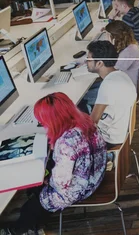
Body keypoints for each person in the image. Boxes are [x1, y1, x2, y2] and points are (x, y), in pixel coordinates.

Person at [0, 93, 106, 234]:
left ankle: (22, 230)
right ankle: (36, 220)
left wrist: (46, 181)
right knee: (38, 187)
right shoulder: (86, 121)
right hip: (96, 175)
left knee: (30, 208)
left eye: (43, 121)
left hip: (80, 189)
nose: (43, 125)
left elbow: (61, 184)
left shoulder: (65, 143)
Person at [85, 41, 137, 148]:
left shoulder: (107, 85)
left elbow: (92, 122)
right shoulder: (122, 74)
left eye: (89, 60)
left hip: (110, 140)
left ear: (99, 63)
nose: (86, 62)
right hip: (123, 133)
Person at [105, 20, 139, 91]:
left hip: (125, 89)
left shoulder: (127, 53)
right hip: (126, 82)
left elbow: (110, 72)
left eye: (106, 35)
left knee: (89, 95)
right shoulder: (131, 45)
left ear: (112, 37)